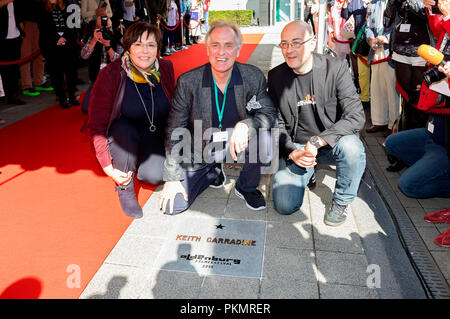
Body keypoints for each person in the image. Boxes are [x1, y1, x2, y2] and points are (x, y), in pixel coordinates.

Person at [158, 20, 277, 215]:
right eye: (215, 45)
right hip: (201, 147)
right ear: (207, 49)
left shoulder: (252, 76)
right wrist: (172, 177)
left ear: (238, 50)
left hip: (236, 143)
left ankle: (245, 187)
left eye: (228, 45)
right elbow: (174, 128)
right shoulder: (188, 81)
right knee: (174, 205)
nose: (221, 52)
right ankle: (211, 170)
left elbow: (269, 114)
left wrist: (247, 125)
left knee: (265, 139)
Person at [268, 20, 366, 227]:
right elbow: (275, 122)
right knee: (284, 205)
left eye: (296, 43)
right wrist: (290, 151)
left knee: (352, 148)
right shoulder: (276, 76)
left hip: (331, 142)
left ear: (312, 43)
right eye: (284, 44)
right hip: (297, 146)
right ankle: (308, 173)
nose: (289, 50)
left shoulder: (336, 68)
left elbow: (356, 115)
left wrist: (318, 141)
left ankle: (341, 201)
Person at [87, 21, 175, 218]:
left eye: (151, 45)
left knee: (153, 176)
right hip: (124, 132)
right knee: (122, 131)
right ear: (128, 47)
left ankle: (141, 163)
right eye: (138, 44)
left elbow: (175, 110)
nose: (145, 51)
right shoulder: (111, 74)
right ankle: (125, 185)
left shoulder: (166, 68)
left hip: (153, 129)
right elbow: (96, 125)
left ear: (158, 49)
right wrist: (107, 167)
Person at [365, 0, 400, 137]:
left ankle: (393, 125)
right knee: (376, 88)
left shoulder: (397, 3)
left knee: (392, 90)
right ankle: (379, 121)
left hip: (390, 52)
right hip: (375, 51)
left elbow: (400, 25)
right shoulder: (373, 3)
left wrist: (387, 38)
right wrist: (371, 39)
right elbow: (368, 26)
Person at [36, 0, 80, 108]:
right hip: (51, 45)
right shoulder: (42, 9)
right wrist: (57, 38)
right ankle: (62, 98)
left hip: (68, 44)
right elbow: (43, 28)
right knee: (56, 73)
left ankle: (72, 95)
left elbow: (72, 26)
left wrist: (65, 37)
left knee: (71, 72)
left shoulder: (68, 6)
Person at [80, 15, 122, 113]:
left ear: (112, 27)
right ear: (96, 29)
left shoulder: (118, 38)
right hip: (97, 79)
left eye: (107, 28)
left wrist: (108, 46)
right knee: (86, 108)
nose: (105, 31)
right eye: (101, 28)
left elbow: (120, 63)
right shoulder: (92, 38)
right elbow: (84, 56)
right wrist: (94, 41)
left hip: (114, 80)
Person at [0, 0, 26, 105]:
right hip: (2, 38)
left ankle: (13, 95)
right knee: (4, 69)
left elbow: (19, 16)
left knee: (14, 68)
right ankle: (5, 94)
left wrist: (22, 32)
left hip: (15, 36)